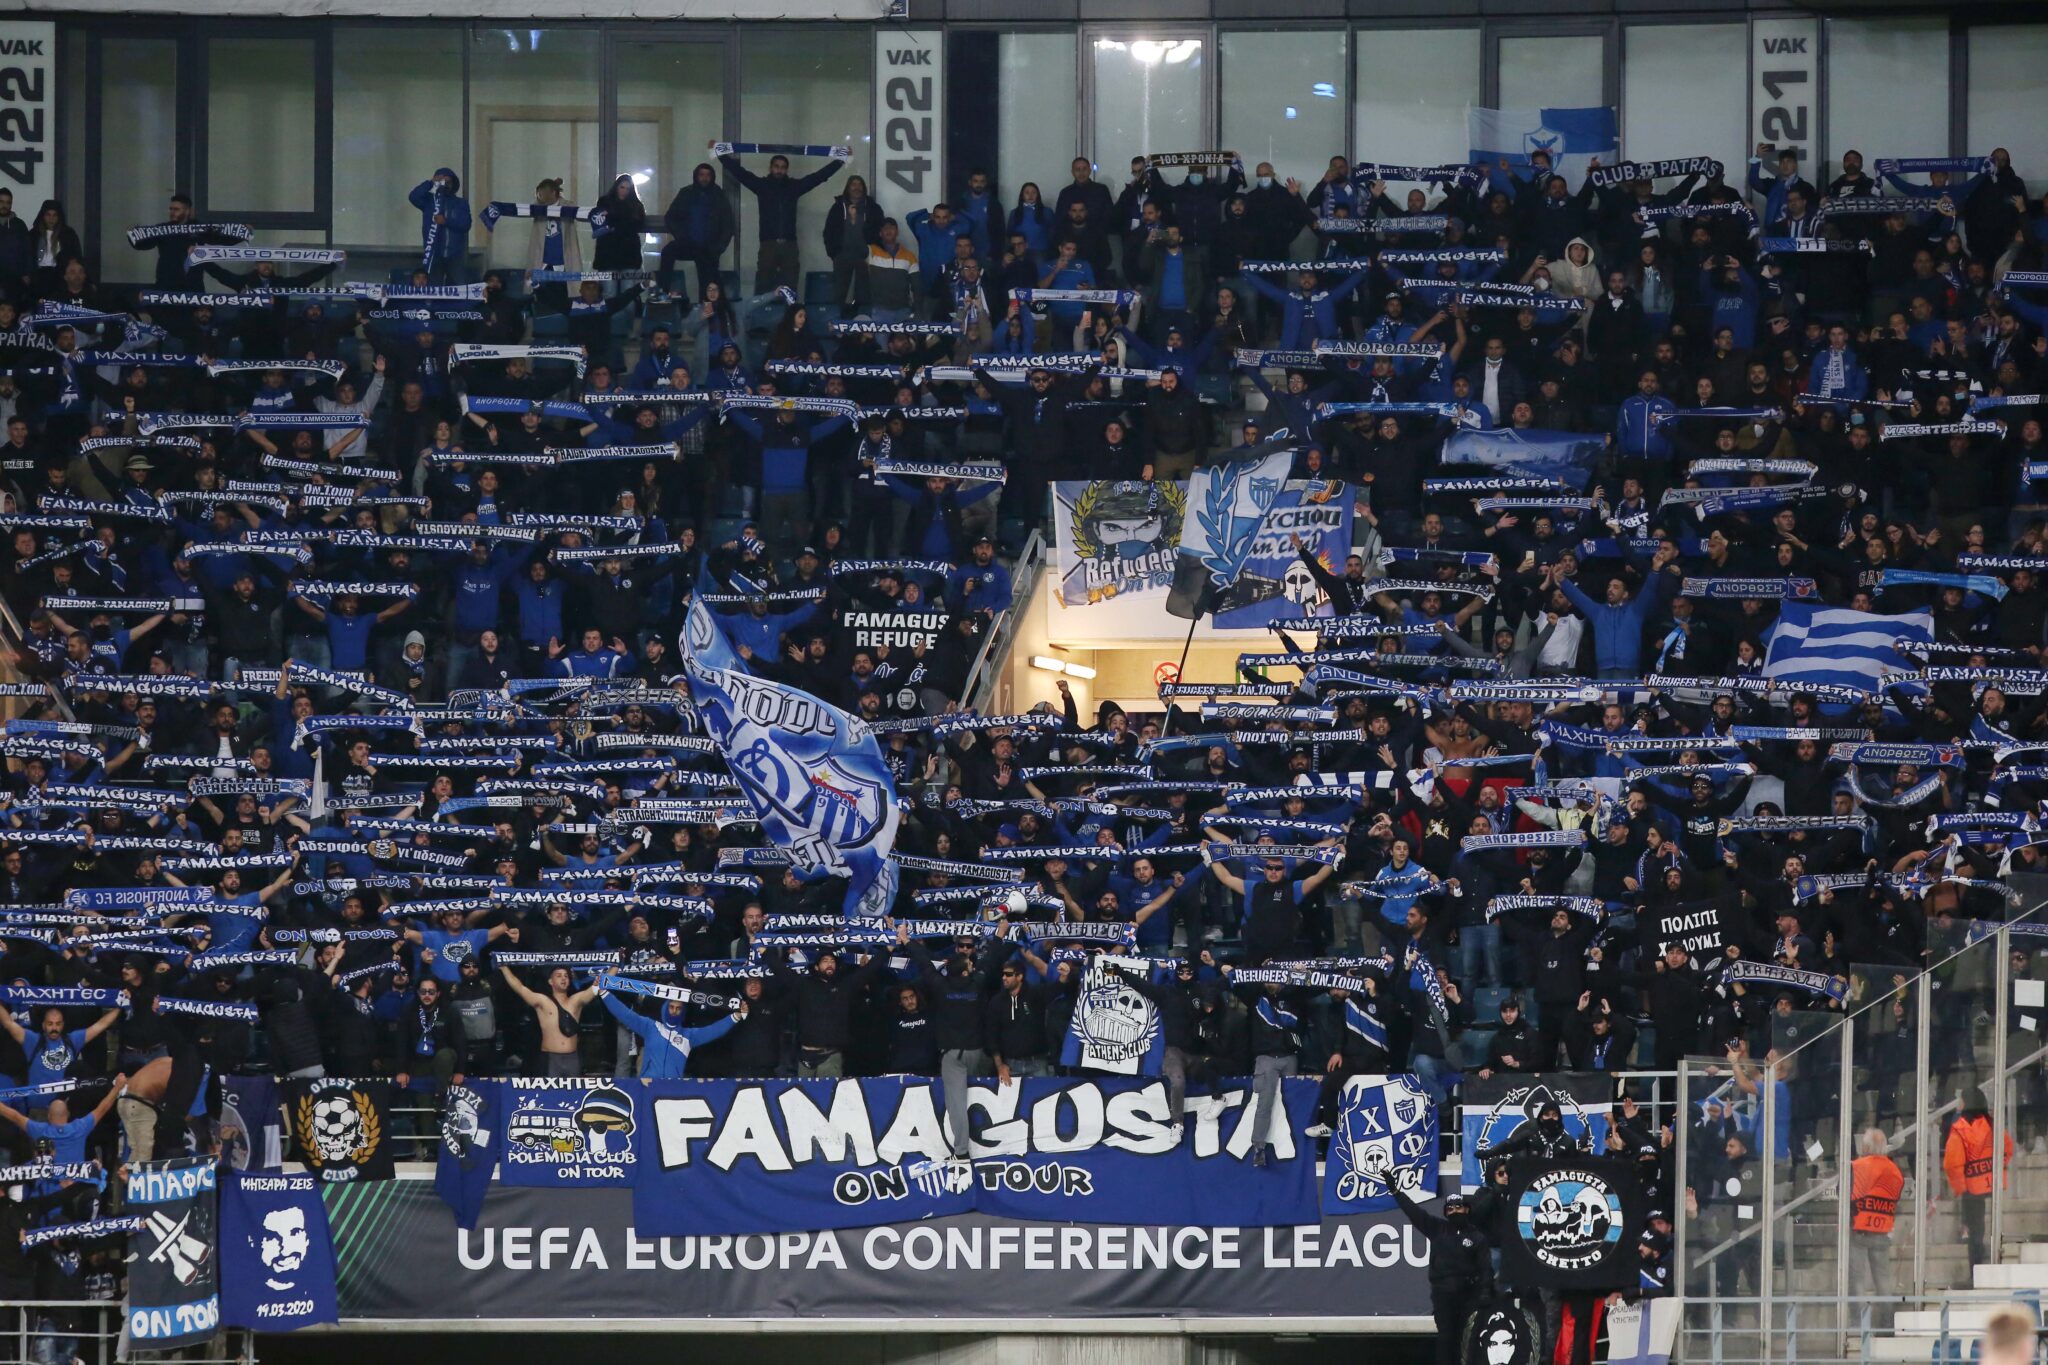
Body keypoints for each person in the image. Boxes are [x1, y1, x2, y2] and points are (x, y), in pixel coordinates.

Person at [717, 144, 846, 294]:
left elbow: (818, 177)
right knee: (763, 284)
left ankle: (791, 309)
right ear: (770, 168)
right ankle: (761, 309)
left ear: (787, 170)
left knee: (790, 285)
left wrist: (840, 161)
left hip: (789, 244)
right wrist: (721, 155)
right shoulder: (762, 186)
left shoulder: (794, 187)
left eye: (783, 167)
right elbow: (740, 173)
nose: (779, 170)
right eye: (776, 166)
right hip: (768, 244)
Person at [1393, 1185, 1492, 1365]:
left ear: (1466, 1209)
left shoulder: (1477, 1237)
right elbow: (1414, 1212)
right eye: (1450, 1208)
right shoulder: (1437, 1228)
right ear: (1446, 1212)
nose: (1454, 1211)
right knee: (1446, 1339)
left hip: (1468, 1295)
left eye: (1458, 1207)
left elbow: (1485, 1268)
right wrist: (1397, 1192)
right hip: (1443, 1295)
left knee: (1468, 1339)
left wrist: (1485, 1292)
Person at [598, 985, 746, 1079]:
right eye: (671, 1007)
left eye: (678, 1008)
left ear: (683, 1011)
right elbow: (625, 1014)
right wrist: (604, 993)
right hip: (648, 1086)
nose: (674, 1011)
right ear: (665, 1007)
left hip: (673, 1089)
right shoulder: (650, 1027)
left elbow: (714, 1030)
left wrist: (736, 1016)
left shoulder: (689, 1036)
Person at [1944, 1104, 2013, 1268]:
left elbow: (1952, 1164)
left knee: (1976, 1231)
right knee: (1990, 1226)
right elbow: (2008, 1148)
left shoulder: (1960, 1129)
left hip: (1972, 1188)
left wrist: (1960, 1187)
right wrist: (1997, 1166)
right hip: (1992, 1184)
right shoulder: (1993, 1125)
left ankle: (1976, 1268)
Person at [1848, 1127, 1903, 1328]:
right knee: (1883, 1281)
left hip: (1859, 1230)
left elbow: (1843, 1193)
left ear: (1865, 1147)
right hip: (1883, 1231)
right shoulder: (1895, 1171)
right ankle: (1887, 1325)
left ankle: (1859, 1325)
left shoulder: (1856, 1166)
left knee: (1857, 1281)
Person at [409, 169, 473, 283]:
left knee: (459, 287)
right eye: (442, 181)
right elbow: (413, 197)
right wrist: (430, 182)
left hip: (455, 255)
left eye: (448, 182)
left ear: (453, 184)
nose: (445, 185)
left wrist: (446, 222)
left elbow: (466, 224)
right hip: (434, 254)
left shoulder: (461, 203)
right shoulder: (429, 201)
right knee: (433, 288)